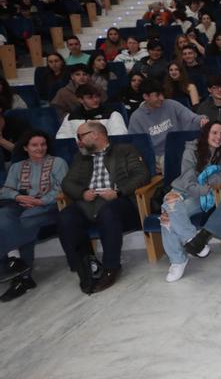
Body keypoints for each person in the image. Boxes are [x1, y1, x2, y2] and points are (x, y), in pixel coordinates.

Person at [58, 122, 150, 294]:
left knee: (108, 212)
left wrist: (118, 192)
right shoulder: (81, 157)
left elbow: (142, 175)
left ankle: (110, 267)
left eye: (80, 137)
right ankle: (87, 265)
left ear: (95, 135)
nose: (78, 142)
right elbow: (67, 183)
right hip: (88, 203)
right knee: (65, 217)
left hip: (120, 203)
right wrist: (82, 192)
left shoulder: (125, 150)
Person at [159, 121, 221, 283]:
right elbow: (187, 178)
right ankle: (191, 240)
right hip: (184, 189)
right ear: (206, 133)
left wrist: (209, 183)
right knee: (171, 206)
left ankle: (178, 260)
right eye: (215, 133)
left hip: (204, 196)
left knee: (168, 215)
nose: (219, 137)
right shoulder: (191, 149)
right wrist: (200, 188)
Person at [0, 131, 68, 301]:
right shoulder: (17, 166)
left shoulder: (58, 163)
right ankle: (17, 263)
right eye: (35, 145)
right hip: (20, 204)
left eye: (43, 144)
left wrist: (41, 201)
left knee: (25, 222)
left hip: (49, 207)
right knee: (3, 215)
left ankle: (21, 275)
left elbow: (62, 189)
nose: (40, 148)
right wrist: (18, 196)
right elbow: (6, 190)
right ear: (25, 147)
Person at [128, 79, 208, 173]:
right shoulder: (136, 118)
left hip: (179, 149)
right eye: (157, 95)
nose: (162, 98)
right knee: (174, 162)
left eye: (162, 94)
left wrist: (202, 120)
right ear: (146, 96)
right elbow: (136, 146)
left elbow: (192, 119)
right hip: (156, 156)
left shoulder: (171, 105)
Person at [56, 84, 127, 139]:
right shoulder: (71, 116)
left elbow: (119, 137)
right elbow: (62, 137)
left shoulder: (112, 115)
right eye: (90, 97)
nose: (95, 100)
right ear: (80, 100)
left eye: (97, 96)